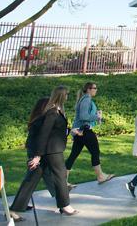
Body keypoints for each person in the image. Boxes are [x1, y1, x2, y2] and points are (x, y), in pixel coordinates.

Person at [23, 86, 78, 216]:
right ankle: (65, 205)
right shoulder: (52, 112)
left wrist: (70, 131)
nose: (67, 97)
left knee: (32, 179)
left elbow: (56, 130)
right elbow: (44, 133)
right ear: (61, 96)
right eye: (66, 94)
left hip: (52, 149)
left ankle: (16, 208)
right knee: (60, 176)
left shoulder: (57, 110)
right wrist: (37, 155)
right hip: (52, 151)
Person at [10, 97, 59, 219]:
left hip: (38, 153)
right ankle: (14, 210)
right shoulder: (40, 121)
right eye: (51, 105)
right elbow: (40, 140)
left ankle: (63, 200)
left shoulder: (39, 119)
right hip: (37, 154)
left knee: (49, 176)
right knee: (30, 180)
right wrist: (37, 157)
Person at [65, 82, 114, 184]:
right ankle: (100, 176)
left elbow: (85, 115)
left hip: (80, 131)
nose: (96, 90)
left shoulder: (85, 99)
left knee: (73, 155)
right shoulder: (86, 99)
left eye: (96, 88)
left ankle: (62, 181)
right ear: (88, 89)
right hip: (84, 130)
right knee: (95, 152)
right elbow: (84, 116)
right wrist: (97, 117)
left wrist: (95, 115)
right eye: (94, 88)